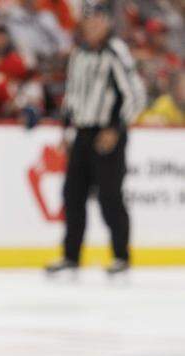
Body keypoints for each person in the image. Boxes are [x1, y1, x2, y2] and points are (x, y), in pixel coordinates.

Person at [45, 2, 146, 277]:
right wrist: (66, 130)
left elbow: (135, 94)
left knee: (110, 196)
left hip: (107, 134)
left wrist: (116, 128)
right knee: (72, 194)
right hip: (82, 132)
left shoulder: (115, 51)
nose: (91, 25)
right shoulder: (78, 53)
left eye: (97, 20)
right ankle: (71, 255)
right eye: (88, 20)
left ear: (106, 23)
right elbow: (72, 95)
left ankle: (121, 256)